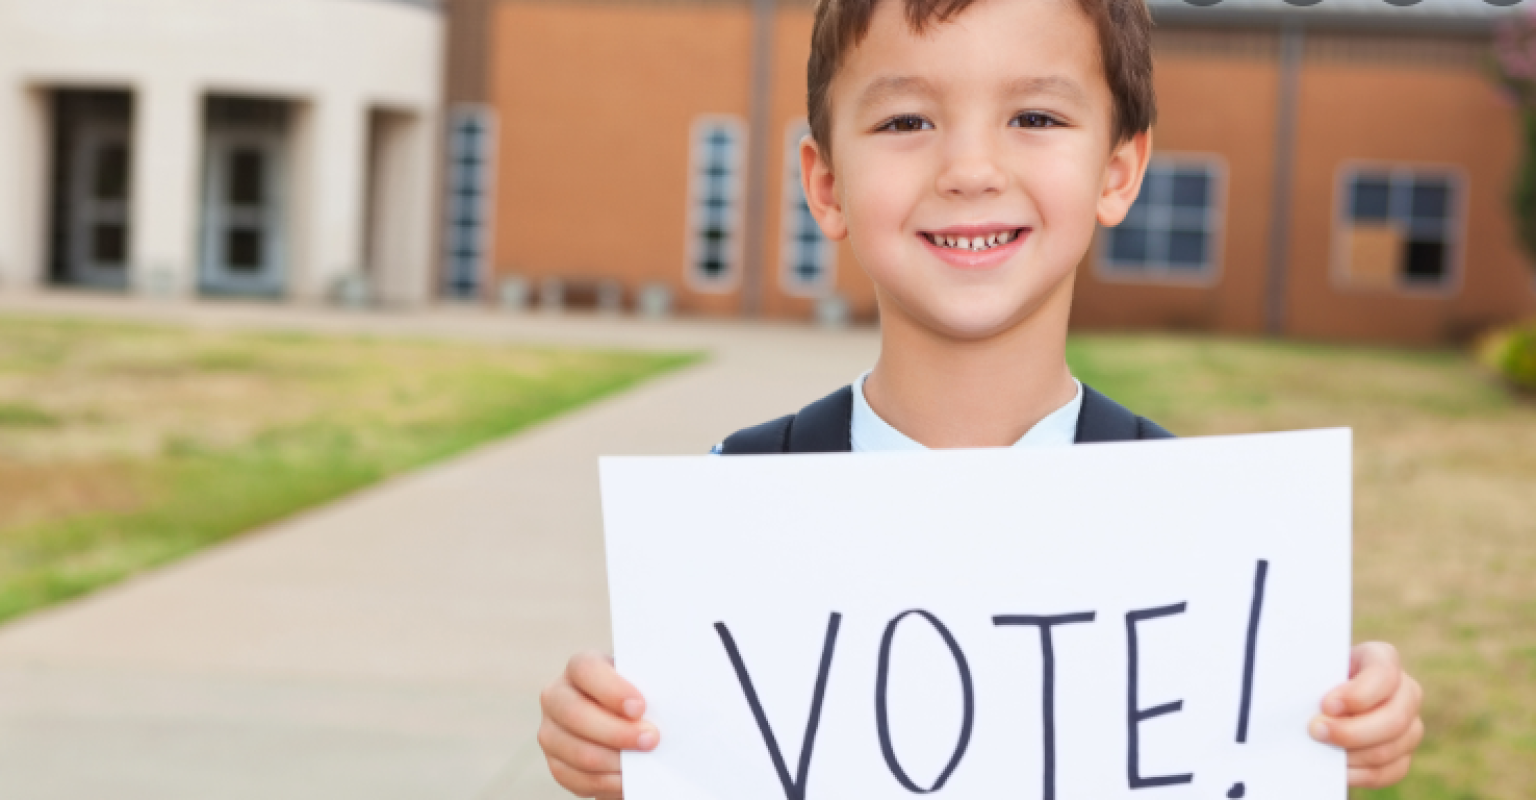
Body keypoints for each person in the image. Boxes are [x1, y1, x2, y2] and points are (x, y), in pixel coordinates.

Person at [537, 0, 1425, 794]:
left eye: (1034, 116)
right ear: (826, 182)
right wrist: (618, 743)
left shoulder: (1193, 528)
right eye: (906, 119)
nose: (970, 169)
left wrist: (1342, 723)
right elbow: (712, 746)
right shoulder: (736, 498)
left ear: (1118, 172)